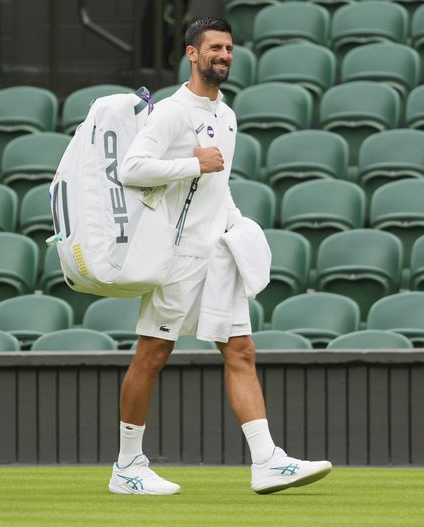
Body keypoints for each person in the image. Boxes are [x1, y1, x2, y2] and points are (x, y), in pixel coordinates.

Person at [108, 17, 332, 495]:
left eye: (229, 48)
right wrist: (194, 162)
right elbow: (131, 169)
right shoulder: (170, 112)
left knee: (241, 350)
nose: (223, 55)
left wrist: (237, 225)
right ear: (192, 53)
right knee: (153, 353)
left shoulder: (226, 114)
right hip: (177, 257)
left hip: (217, 255)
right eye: (214, 48)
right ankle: (128, 466)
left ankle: (267, 460)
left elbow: (216, 186)